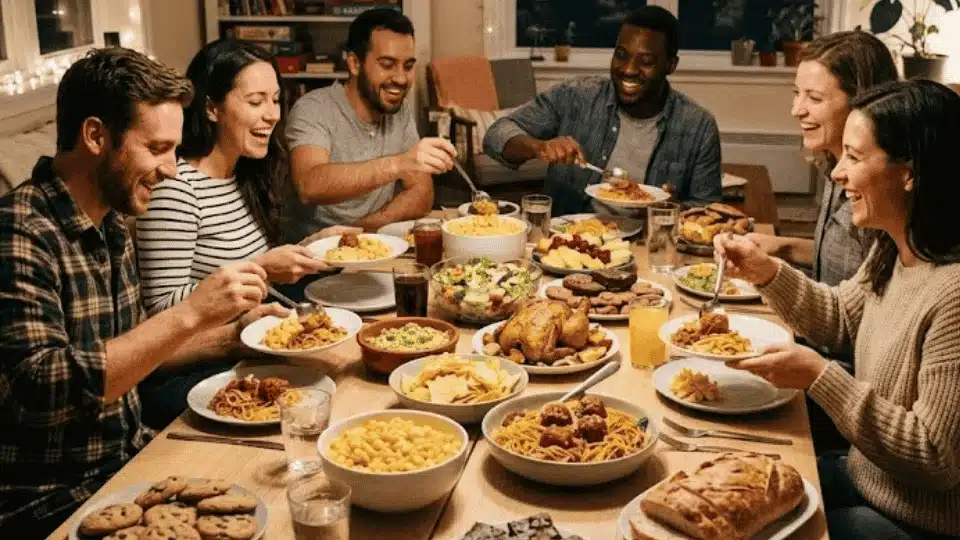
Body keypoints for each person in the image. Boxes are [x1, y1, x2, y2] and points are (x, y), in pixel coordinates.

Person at [0, 48, 283, 539]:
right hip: (53, 502)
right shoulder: (20, 232)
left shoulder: (111, 223)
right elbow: (42, 390)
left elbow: (136, 353)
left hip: (133, 461)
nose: (171, 169)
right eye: (156, 148)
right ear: (96, 136)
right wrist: (190, 313)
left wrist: (234, 336)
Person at [715, 80, 960, 540]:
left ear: (909, 174)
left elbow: (936, 457)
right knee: (732, 485)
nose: (837, 174)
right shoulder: (894, 248)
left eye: (854, 157)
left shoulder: (953, 294)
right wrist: (765, 270)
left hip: (916, 520)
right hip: (870, 477)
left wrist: (819, 376)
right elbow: (840, 320)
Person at [483, 6, 722, 215]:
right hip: (568, 242)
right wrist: (538, 147)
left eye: (646, 61)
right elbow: (496, 134)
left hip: (648, 244)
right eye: (621, 55)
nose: (629, 69)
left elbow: (707, 210)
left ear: (671, 65)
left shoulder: (698, 126)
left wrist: (672, 209)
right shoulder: (576, 96)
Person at [286, 8, 457, 237]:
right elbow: (310, 185)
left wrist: (361, 232)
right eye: (387, 65)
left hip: (373, 242)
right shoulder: (313, 108)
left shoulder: (399, 111)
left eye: (408, 66)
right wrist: (399, 164)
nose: (401, 78)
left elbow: (422, 194)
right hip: (314, 250)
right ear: (354, 63)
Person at [747, 31, 898, 286]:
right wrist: (781, 247)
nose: (796, 110)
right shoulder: (833, 163)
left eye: (815, 98)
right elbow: (842, 260)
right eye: (797, 93)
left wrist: (772, 275)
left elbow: (864, 298)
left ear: (862, 102)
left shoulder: (877, 189)